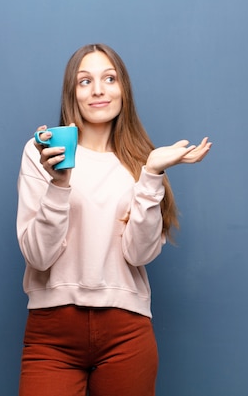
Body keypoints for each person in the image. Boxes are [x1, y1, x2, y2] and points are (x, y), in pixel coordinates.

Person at [16, 43, 211, 396]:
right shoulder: (41, 153)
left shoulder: (142, 161)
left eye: (109, 78)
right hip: (53, 333)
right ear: (71, 93)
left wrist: (151, 174)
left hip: (126, 332)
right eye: (85, 81)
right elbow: (38, 257)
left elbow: (139, 255)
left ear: (124, 90)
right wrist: (59, 183)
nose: (99, 90)